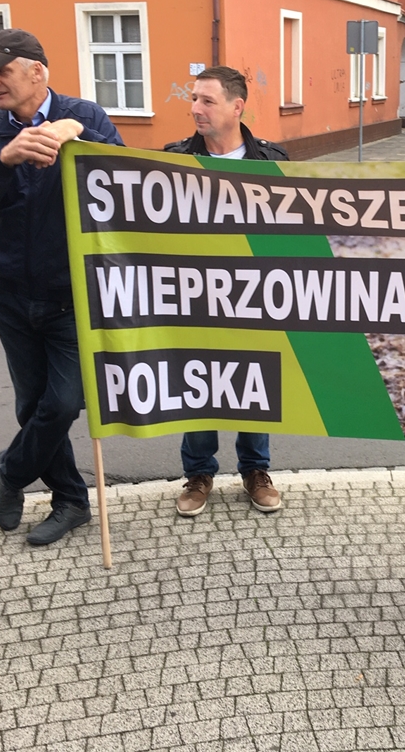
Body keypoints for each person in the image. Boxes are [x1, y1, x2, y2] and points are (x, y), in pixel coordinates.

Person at [0, 29, 123, 546]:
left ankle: (11, 468)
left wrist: (81, 136)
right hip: (8, 294)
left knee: (64, 401)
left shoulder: (85, 114)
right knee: (31, 404)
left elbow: (124, 181)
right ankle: (70, 500)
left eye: (2, 70)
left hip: (72, 295)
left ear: (37, 72)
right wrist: (4, 159)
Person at [163, 66, 287, 517]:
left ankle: (256, 470)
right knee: (198, 382)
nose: (196, 108)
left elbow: (294, 235)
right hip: (193, 296)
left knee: (253, 382)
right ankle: (198, 474)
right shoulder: (173, 159)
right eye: (194, 99)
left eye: (207, 101)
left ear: (237, 106)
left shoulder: (272, 161)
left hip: (254, 297)